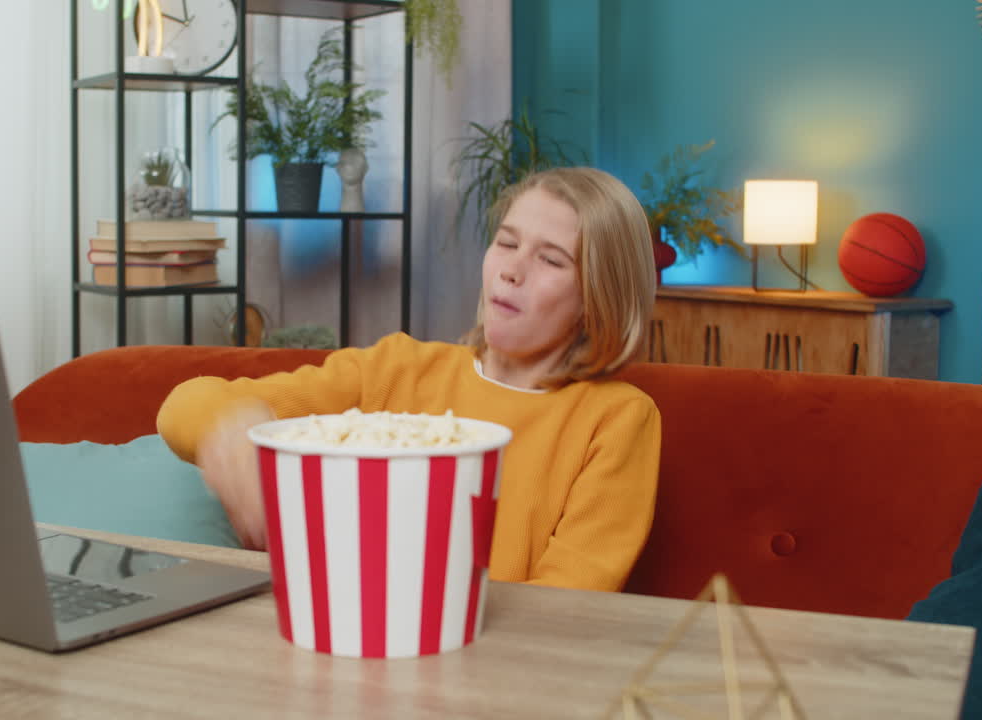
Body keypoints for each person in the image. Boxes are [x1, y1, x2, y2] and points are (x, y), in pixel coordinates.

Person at [157, 167, 661, 592]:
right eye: (506, 243)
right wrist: (229, 427)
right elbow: (182, 406)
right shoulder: (399, 367)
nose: (512, 269)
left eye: (551, 259)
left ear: (599, 299)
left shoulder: (617, 418)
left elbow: (567, 608)